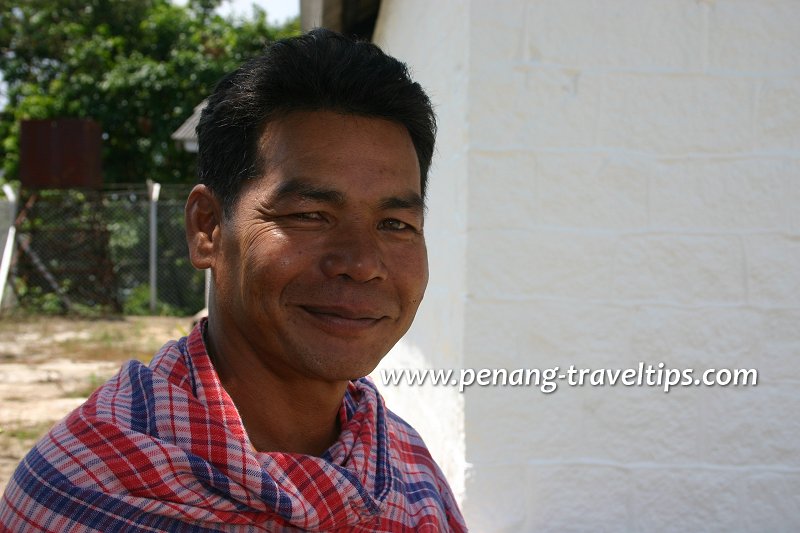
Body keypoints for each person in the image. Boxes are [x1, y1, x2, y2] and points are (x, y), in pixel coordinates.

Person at [0, 29, 467, 532]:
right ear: (208, 228)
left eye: (395, 224)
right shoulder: (82, 490)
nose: (360, 262)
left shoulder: (410, 474)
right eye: (310, 214)